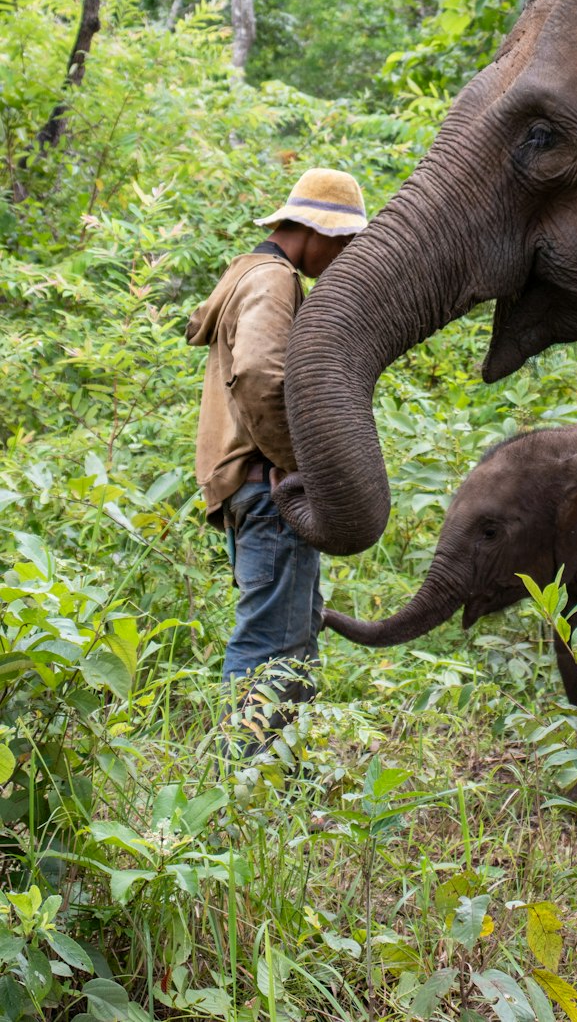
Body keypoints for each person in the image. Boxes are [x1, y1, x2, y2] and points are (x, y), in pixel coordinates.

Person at [186, 167, 366, 752]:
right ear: (315, 230)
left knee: (288, 635)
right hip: (268, 492)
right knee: (273, 644)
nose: (342, 257)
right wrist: (296, 466)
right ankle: (245, 786)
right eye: (342, 242)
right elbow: (262, 373)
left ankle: (276, 785)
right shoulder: (274, 281)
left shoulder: (253, 274)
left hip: (250, 489)